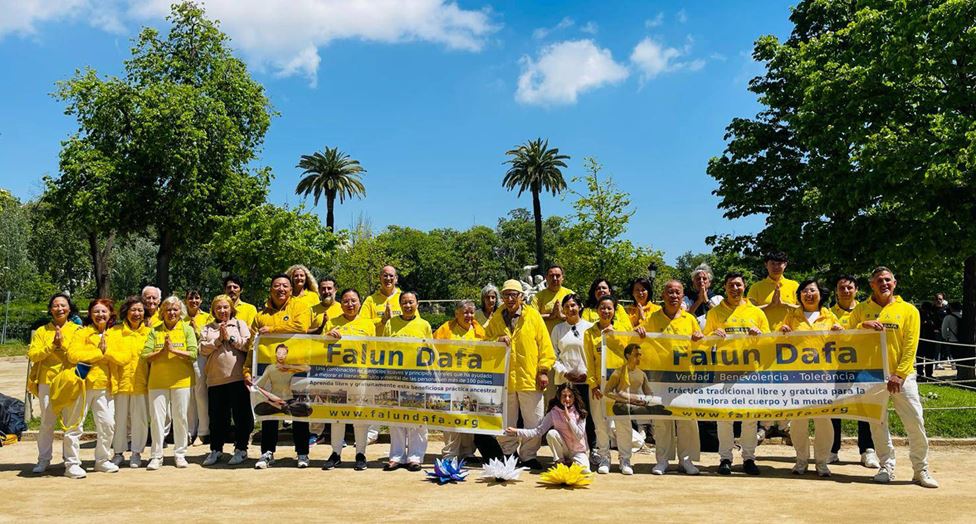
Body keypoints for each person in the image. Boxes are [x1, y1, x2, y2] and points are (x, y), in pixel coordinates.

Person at [848, 267, 938, 488]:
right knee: (878, 425)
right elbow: (845, 336)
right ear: (872, 285)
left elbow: (911, 345)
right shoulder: (861, 309)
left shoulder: (908, 310)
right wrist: (862, 325)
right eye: (879, 281)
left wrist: (900, 374)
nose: (884, 284)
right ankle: (886, 466)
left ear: (894, 283)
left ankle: (920, 469)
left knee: (915, 422)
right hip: (871, 376)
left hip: (902, 377)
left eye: (887, 280)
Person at [485, 279, 555, 470]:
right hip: (505, 379)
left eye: (513, 295)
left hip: (529, 377)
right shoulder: (496, 318)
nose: (509, 299)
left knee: (535, 420)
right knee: (506, 420)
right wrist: (497, 339)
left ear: (521, 297)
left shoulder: (533, 316)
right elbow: (485, 342)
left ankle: (528, 456)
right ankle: (509, 454)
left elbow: (545, 346)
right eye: (506, 295)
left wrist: (543, 371)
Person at [704, 272, 769, 476]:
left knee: (750, 418)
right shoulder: (715, 313)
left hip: (750, 372)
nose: (735, 289)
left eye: (738, 285)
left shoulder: (756, 312)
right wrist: (713, 336)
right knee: (724, 417)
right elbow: (704, 343)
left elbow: (770, 341)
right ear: (724, 287)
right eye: (731, 285)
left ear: (744, 286)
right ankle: (725, 458)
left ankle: (749, 458)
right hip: (723, 372)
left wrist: (760, 336)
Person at [776, 279, 842, 477]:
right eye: (804, 291)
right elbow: (777, 340)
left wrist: (839, 333)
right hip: (797, 377)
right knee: (798, 421)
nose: (809, 294)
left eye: (812, 290)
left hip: (824, 377)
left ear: (821, 294)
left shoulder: (830, 316)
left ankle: (822, 462)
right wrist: (782, 332)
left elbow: (843, 342)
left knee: (823, 421)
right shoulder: (791, 316)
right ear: (799, 296)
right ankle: (801, 461)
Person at [641, 280, 703, 475]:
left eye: (677, 292)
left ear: (682, 295)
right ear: (663, 295)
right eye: (670, 292)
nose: (673, 296)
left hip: (685, 377)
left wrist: (698, 340)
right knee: (661, 421)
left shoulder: (689, 319)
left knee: (686, 421)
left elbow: (700, 348)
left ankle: (686, 460)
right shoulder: (652, 318)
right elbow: (641, 340)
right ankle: (663, 460)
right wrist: (639, 332)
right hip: (660, 377)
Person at [253, 274, 313, 469]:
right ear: (271, 289)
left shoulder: (300, 306)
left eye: (285, 286)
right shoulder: (261, 315)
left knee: (299, 412)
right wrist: (247, 368)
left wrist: (272, 329)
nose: (281, 289)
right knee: (270, 414)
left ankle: (302, 453)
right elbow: (253, 344)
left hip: (297, 371)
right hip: (271, 369)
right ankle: (267, 453)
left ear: (290, 289)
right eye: (277, 285)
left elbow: (301, 327)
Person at [321, 289, 376, 471]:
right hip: (337, 376)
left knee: (360, 416)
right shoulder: (332, 322)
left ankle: (360, 454)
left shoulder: (368, 324)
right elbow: (320, 346)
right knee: (337, 416)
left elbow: (375, 350)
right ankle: (335, 453)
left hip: (361, 377)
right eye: (346, 301)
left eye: (353, 301)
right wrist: (327, 338)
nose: (350, 304)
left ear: (360, 302)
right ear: (341, 303)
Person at [27, 293, 81, 475]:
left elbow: (78, 355)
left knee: (71, 423)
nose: (60, 309)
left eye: (63, 305)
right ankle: (43, 459)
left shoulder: (77, 330)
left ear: (69, 309)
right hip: (47, 381)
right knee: (46, 422)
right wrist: (51, 346)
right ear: (50, 309)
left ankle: (71, 462)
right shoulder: (42, 331)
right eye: (56, 306)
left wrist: (62, 345)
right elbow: (33, 355)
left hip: (69, 381)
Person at [583, 295, 638, 474]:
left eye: (609, 308)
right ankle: (604, 458)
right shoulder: (589, 333)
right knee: (600, 424)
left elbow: (628, 354)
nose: (605, 311)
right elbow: (589, 361)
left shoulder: (622, 330)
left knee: (623, 423)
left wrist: (613, 335)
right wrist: (593, 384)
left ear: (614, 310)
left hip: (620, 385)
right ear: (597, 310)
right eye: (602, 308)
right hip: (599, 386)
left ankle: (625, 459)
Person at [67, 298, 122, 475]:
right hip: (82, 385)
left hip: (106, 386)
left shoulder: (115, 334)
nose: (100, 314)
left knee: (108, 425)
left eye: (104, 311)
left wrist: (107, 352)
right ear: (90, 314)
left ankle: (102, 460)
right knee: (75, 425)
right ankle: (71, 463)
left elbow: (123, 357)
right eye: (96, 311)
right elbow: (73, 355)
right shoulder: (82, 333)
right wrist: (99, 353)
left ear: (110, 314)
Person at [142, 296, 198, 470]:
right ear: (162, 312)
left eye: (175, 309)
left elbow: (193, 354)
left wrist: (174, 350)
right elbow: (145, 355)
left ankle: (180, 454)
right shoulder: (155, 330)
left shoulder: (187, 329)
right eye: (168, 309)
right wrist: (162, 351)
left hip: (182, 380)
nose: (171, 312)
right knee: (157, 419)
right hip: (157, 381)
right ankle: (156, 456)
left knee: (180, 418)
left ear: (180, 312)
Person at [829, 275, 878, 468]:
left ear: (856, 289)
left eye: (850, 287)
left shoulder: (866, 310)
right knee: (835, 408)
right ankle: (832, 449)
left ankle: (867, 450)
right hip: (836, 367)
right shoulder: (828, 313)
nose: (846, 291)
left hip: (864, 365)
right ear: (836, 291)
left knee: (865, 407)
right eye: (841, 288)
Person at [199, 294, 252, 467]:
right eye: (218, 308)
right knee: (217, 418)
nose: (222, 310)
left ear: (231, 308)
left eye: (225, 307)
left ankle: (241, 449)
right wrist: (218, 340)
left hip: (237, 378)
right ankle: (216, 449)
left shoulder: (239, 324)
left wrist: (231, 338)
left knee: (241, 415)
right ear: (213, 310)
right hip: (215, 380)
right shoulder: (207, 328)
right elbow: (202, 349)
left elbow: (248, 345)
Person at [382, 291, 433, 471]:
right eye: (404, 302)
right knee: (396, 418)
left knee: (417, 419)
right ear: (400, 304)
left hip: (418, 378)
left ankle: (415, 457)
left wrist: (431, 378)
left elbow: (431, 352)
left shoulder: (424, 325)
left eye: (411, 302)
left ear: (417, 304)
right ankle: (396, 456)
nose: (408, 305)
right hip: (395, 377)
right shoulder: (390, 324)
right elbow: (384, 349)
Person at [433, 299, 486, 461]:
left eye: (471, 312)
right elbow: (432, 349)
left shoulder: (480, 331)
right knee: (451, 416)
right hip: (449, 381)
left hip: (472, 381)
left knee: (469, 415)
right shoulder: (445, 329)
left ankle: (467, 452)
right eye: (465, 312)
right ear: (456, 314)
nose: (469, 316)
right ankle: (450, 453)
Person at [107, 296, 151, 469]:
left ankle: (136, 453)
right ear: (126, 312)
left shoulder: (150, 333)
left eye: (140, 310)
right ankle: (118, 453)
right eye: (133, 310)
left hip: (142, 382)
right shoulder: (114, 332)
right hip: (120, 383)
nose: (137, 313)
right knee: (119, 420)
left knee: (140, 420)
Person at [505, 384, 590, 472]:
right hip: (563, 449)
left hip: (577, 451)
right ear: (559, 397)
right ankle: (560, 461)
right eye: (564, 396)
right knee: (552, 434)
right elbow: (539, 431)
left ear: (574, 397)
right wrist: (517, 431)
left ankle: (571, 462)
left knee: (585, 471)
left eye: (570, 396)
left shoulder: (580, 412)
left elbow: (579, 435)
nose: (567, 399)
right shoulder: (553, 413)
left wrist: (569, 419)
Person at [602, 340, 653, 476]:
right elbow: (607, 392)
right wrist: (625, 399)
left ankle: (625, 459)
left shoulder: (641, 374)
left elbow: (649, 393)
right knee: (622, 430)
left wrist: (645, 401)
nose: (639, 357)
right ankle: (620, 460)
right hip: (621, 406)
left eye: (640, 354)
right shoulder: (618, 372)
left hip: (637, 406)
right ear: (628, 355)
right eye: (636, 354)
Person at [307, 276, 342, 444]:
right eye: (323, 288)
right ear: (319, 291)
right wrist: (321, 327)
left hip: (338, 360)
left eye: (329, 288)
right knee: (317, 397)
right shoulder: (312, 310)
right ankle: (316, 432)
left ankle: (338, 434)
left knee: (338, 397)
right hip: (316, 359)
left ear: (335, 290)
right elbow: (304, 332)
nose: (326, 291)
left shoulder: (343, 307)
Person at [185, 289, 213, 446]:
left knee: (200, 394)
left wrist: (195, 328)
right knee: (188, 396)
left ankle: (203, 432)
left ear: (201, 300)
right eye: (190, 298)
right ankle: (190, 431)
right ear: (185, 300)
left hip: (201, 357)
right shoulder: (180, 317)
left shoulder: (207, 317)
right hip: (184, 358)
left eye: (197, 298)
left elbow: (207, 337)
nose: (194, 301)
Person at [530, 265, 575, 333]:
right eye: (551, 276)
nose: (554, 278)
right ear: (546, 278)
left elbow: (579, 316)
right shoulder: (538, 296)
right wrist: (550, 316)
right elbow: (531, 317)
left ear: (562, 278)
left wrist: (562, 316)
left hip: (567, 336)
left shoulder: (570, 294)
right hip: (545, 337)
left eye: (558, 276)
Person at [361, 265, 404, 335]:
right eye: (385, 276)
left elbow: (414, 322)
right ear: (380, 278)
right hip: (377, 341)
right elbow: (362, 323)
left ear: (396, 279)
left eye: (391, 276)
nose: (388, 278)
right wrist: (382, 321)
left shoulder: (405, 298)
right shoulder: (370, 300)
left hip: (399, 341)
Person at [683, 263, 722, 328]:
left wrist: (707, 301)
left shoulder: (718, 298)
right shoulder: (686, 299)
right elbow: (683, 317)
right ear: (693, 283)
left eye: (704, 278)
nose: (701, 281)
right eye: (698, 279)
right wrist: (699, 301)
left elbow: (722, 315)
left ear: (709, 282)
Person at [917, 302, 939, 380]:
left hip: (928, 339)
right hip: (924, 339)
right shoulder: (920, 315)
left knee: (926, 357)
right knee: (922, 357)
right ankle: (921, 374)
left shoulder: (932, 315)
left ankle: (926, 374)